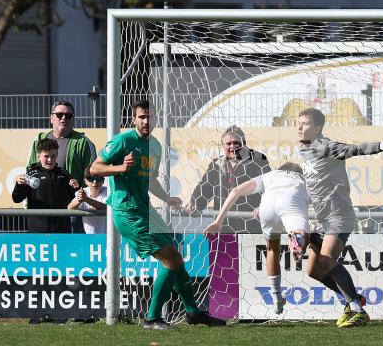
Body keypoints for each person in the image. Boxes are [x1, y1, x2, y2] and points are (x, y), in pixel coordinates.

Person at [90, 100, 225, 330]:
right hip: (127, 211)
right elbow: (94, 168)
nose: (146, 121)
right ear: (133, 119)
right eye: (141, 117)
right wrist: (119, 168)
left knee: (177, 258)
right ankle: (152, 319)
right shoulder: (122, 141)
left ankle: (193, 313)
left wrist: (167, 198)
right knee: (170, 259)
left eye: (150, 117)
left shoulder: (155, 146)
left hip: (147, 209)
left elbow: (150, 179)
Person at [296, 107, 383, 328]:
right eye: (298, 123)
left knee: (327, 261)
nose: (299, 127)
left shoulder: (326, 146)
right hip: (320, 218)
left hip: (339, 215)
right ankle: (351, 300)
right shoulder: (303, 150)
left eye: (305, 123)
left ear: (317, 128)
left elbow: (354, 149)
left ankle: (357, 309)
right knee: (314, 270)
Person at [203, 162, 310, 316]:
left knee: (272, 249)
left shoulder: (269, 176)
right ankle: (297, 239)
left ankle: (277, 299)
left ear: (279, 170)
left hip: (267, 207)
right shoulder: (302, 179)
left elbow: (236, 190)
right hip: (290, 203)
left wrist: (218, 221)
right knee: (300, 232)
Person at [183, 125, 271, 233]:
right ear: (223, 146)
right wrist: (195, 201)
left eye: (236, 143)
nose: (232, 146)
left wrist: (262, 207)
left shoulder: (258, 160)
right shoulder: (217, 165)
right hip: (223, 225)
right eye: (228, 144)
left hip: (251, 223)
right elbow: (206, 186)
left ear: (244, 143)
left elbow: (269, 186)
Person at [28, 100, 97, 232]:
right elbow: (29, 172)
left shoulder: (83, 143)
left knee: (72, 249)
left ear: (73, 119)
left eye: (68, 115)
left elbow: (92, 174)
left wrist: (82, 199)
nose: (64, 118)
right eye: (59, 115)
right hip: (42, 211)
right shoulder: (39, 141)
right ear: (51, 118)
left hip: (72, 211)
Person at [12, 138, 80, 233]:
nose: (50, 160)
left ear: (57, 155)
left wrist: (76, 187)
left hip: (62, 231)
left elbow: (77, 197)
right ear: (38, 156)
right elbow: (17, 199)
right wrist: (18, 185)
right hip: (38, 231)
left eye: (53, 156)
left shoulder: (64, 174)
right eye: (46, 156)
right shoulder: (31, 175)